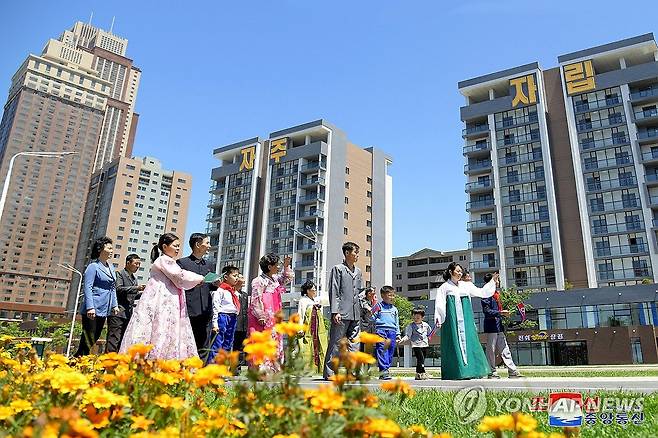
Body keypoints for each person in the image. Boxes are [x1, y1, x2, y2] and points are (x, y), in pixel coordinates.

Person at [119, 233, 205, 360]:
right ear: (165, 246)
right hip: (161, 299)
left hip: (166, 298)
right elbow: (180, 275)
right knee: (161, 326)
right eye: (175, 246)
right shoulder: (164, 260)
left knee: (162, 326)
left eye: (178, 246)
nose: (177, 249)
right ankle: (159, 358)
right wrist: (200, 278)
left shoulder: (168, 261)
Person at [433, 262, 499, 380]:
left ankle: (472, 371)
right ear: (450, 272)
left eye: (460, 271)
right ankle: (456, 372)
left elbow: (482, 292)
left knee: (470, 341)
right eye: (457, 271)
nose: (459, 273)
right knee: (454, 343)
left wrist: (492, 282)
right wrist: (439, 318)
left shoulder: (466, 285)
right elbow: (440, 304)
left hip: (466, 318)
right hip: (451, 320)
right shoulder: (444, 287)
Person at [323, 242, 363, 380]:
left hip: (355, 313)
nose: (357, 255)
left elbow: (359, 292)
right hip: (341, 313)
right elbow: (334, 291)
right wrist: (335, 311)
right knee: (336, 342)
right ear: (347, 253)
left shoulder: (358, 272)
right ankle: (330, 372)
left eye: (358, 252)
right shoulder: (338, 269)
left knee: (355, 343)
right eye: (355, 252)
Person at [247, 253, 293, 372]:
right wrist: (260, 315)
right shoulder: (258, 281)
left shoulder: (275, 279)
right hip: (264, 314)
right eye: (276, 265)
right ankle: (262, 368)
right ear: (269, 267)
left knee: (275, 339)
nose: (278, 267)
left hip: (275, 313)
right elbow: (256, 298)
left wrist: (287, 266)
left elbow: (287, 278)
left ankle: (273, 367)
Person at [75, 237, 120, 357]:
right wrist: (90, 307)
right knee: (88, 339)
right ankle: (77, 362)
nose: (111, 251)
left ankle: (78, 361)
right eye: (109, 248)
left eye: (112, 248)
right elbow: (87, 287)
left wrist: (114, 305)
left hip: (104, 309)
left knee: (94, 338)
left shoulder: (111, 268)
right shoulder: (93, 266)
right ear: (101, 249)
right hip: (94, 307)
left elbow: (112, 287)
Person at [177, 233, 218, 360]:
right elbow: (179, 284)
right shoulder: (182, 263)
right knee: (187, 342)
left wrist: (216, 284)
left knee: (204, 344)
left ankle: (201, 373)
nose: (209, 246)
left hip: (206, 309)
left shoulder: (210, 265)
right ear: (198, 245)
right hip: (189, 309)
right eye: (207, 243)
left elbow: (211, 287)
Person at [481, 272, 522, 379]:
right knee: (491, 349)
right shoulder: (486, 294)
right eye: (496, 280)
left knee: (505, 348)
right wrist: (500, 313)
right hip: (491, 325)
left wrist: (502, 314)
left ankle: (512, 370)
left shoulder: (496, 295)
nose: (498, 282)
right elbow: (487, 311)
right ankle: (491, 371)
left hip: (499, 325)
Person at [105, 254, 146, 353]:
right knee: (113, 339)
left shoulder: (134, 279)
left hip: (128, 314)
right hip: (117, 312)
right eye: (136, 263)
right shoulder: (119, 274)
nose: (138, 266)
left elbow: (132, 296)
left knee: (123, 340)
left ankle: (117, 363)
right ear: (128, 263)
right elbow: (118, 289)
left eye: (139, 264)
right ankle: (108, 364)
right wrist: (137, 288)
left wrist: (143, 294)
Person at [206, 265, 244, 365]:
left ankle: (223, 366)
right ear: (226, 277)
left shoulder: (233, 291)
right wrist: (215, 323)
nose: (237, 278)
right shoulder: (220, 290)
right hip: (222, 316)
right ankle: (213, 367)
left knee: (228, 342)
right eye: (234, 276)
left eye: (237, 276)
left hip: (232, 317)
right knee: (218, 342)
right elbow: (216, 307)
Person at [296, 280, 328, 374]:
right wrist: (300, 328)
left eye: (315, 289)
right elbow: (300, 315)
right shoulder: (303, 301)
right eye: (312, 290)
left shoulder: (316, 300)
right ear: (307, 291)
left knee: (321, 347)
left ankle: (321, 369)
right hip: (308, 329)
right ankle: (308, 370)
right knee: (306, 348)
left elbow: (327, 300)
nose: (314, 291)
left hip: (319, 329)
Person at [372, 286, 400, 380]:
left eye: (393, 295)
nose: (392, 297)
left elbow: (397, 322)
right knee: (382, 349)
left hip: (392, 331)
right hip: (381, 330)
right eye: (389, 295)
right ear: (383, 296)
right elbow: (371, 317)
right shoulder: (378, 306)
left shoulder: (394, 309)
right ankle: (384, 370)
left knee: (390, 350)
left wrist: (398, 334)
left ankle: (386, 369)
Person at [400, 307, 432, 380]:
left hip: (424, 344)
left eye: (418, 318)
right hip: (416, 345)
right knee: (420, 359)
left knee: (421, 360)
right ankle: (422, 373)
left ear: (422, 317)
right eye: (414, 318)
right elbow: (408, 336)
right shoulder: (411, 326)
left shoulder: (426, 325)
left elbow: (430, 333)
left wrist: (437, 327)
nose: (415, 319)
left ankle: (418, 374)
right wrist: (402, 340)